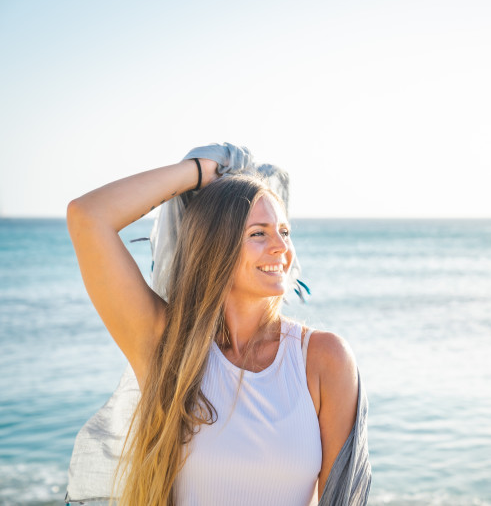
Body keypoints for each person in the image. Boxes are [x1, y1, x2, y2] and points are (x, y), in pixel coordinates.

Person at [67, 149, 366, 506]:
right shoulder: (168, 346)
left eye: (284, 231)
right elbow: (87, 217)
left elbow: (343, 498)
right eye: (259, 233)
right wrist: (196, 172)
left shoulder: (322, 359)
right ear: (215, 246)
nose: (281, 248)